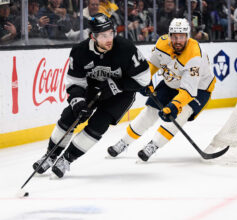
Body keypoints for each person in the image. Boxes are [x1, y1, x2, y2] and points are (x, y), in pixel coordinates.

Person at [32, 13, 150, 178]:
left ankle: (67, 159)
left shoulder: (126, 48)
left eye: (111, 33)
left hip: (120, 94)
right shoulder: (80, 51)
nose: (109, 39)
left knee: (98, 125)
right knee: (70, 116)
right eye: (103, 36)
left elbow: (144, 79)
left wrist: (118, 85)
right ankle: (50, 155)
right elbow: (75, 83)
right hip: (92, 88)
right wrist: (78, 102)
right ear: (93, 37)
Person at [107, 18, 216, 161]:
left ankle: (153, 145)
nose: (178, 40)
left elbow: (188, 91)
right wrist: (145, 80)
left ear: (187, 37)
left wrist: (174, 105)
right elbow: (152, 65)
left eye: (182, 37)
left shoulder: (194, 56)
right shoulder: (162, 43)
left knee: (178, 115)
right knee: (150, 111)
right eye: (175, 36)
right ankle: (124, 142)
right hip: (172, 81)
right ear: (170, 35)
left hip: (199, 88)